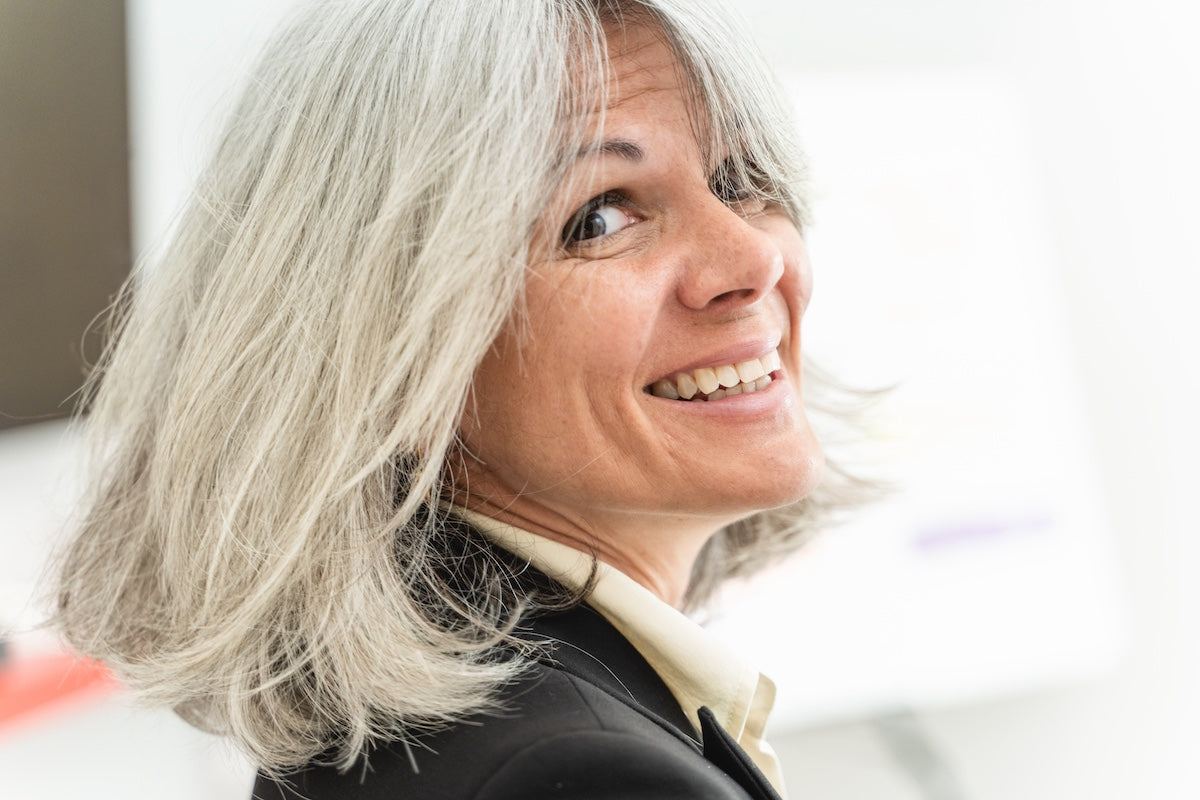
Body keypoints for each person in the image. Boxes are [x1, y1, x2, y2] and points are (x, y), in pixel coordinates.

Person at [54, 0, 860, 797]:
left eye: (740, 180)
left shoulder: (435, 736)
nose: (751, 256)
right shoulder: (579, 775)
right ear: (392, 353)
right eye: (600, 217)